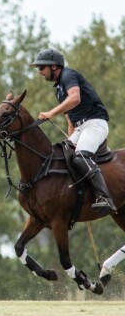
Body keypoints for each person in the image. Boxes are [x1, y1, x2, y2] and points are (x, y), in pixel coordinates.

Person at [30, 48, 116, 215]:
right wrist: (71, 142)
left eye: (41, 67)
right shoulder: (59, 90)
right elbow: (70, 121)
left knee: (81, 157)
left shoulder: (68, 75)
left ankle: (105, 198)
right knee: (64, 156)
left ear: (54, 66)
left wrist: (50, 113)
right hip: (79, 128)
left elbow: (75, 98)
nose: (39, 72)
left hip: (95, 123)